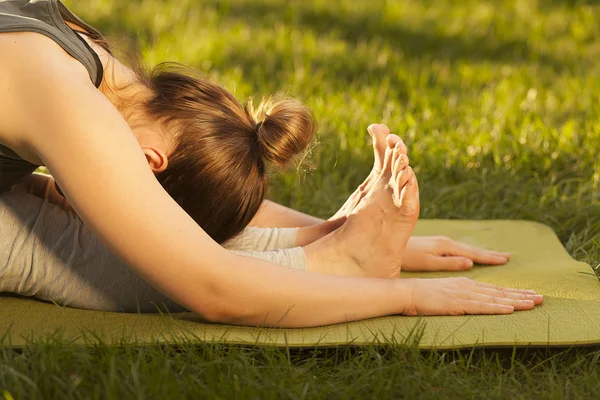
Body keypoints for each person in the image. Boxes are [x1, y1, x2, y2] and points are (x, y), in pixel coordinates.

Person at [0, 0, 543, 327]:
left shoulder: (87, 58)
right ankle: (339, 266)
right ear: (149, 162)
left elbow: (166, 219)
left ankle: (341, 255)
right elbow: (211, 288)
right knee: (72, 250)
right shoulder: (66, 97)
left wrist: (326, 231)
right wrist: (402, 294)